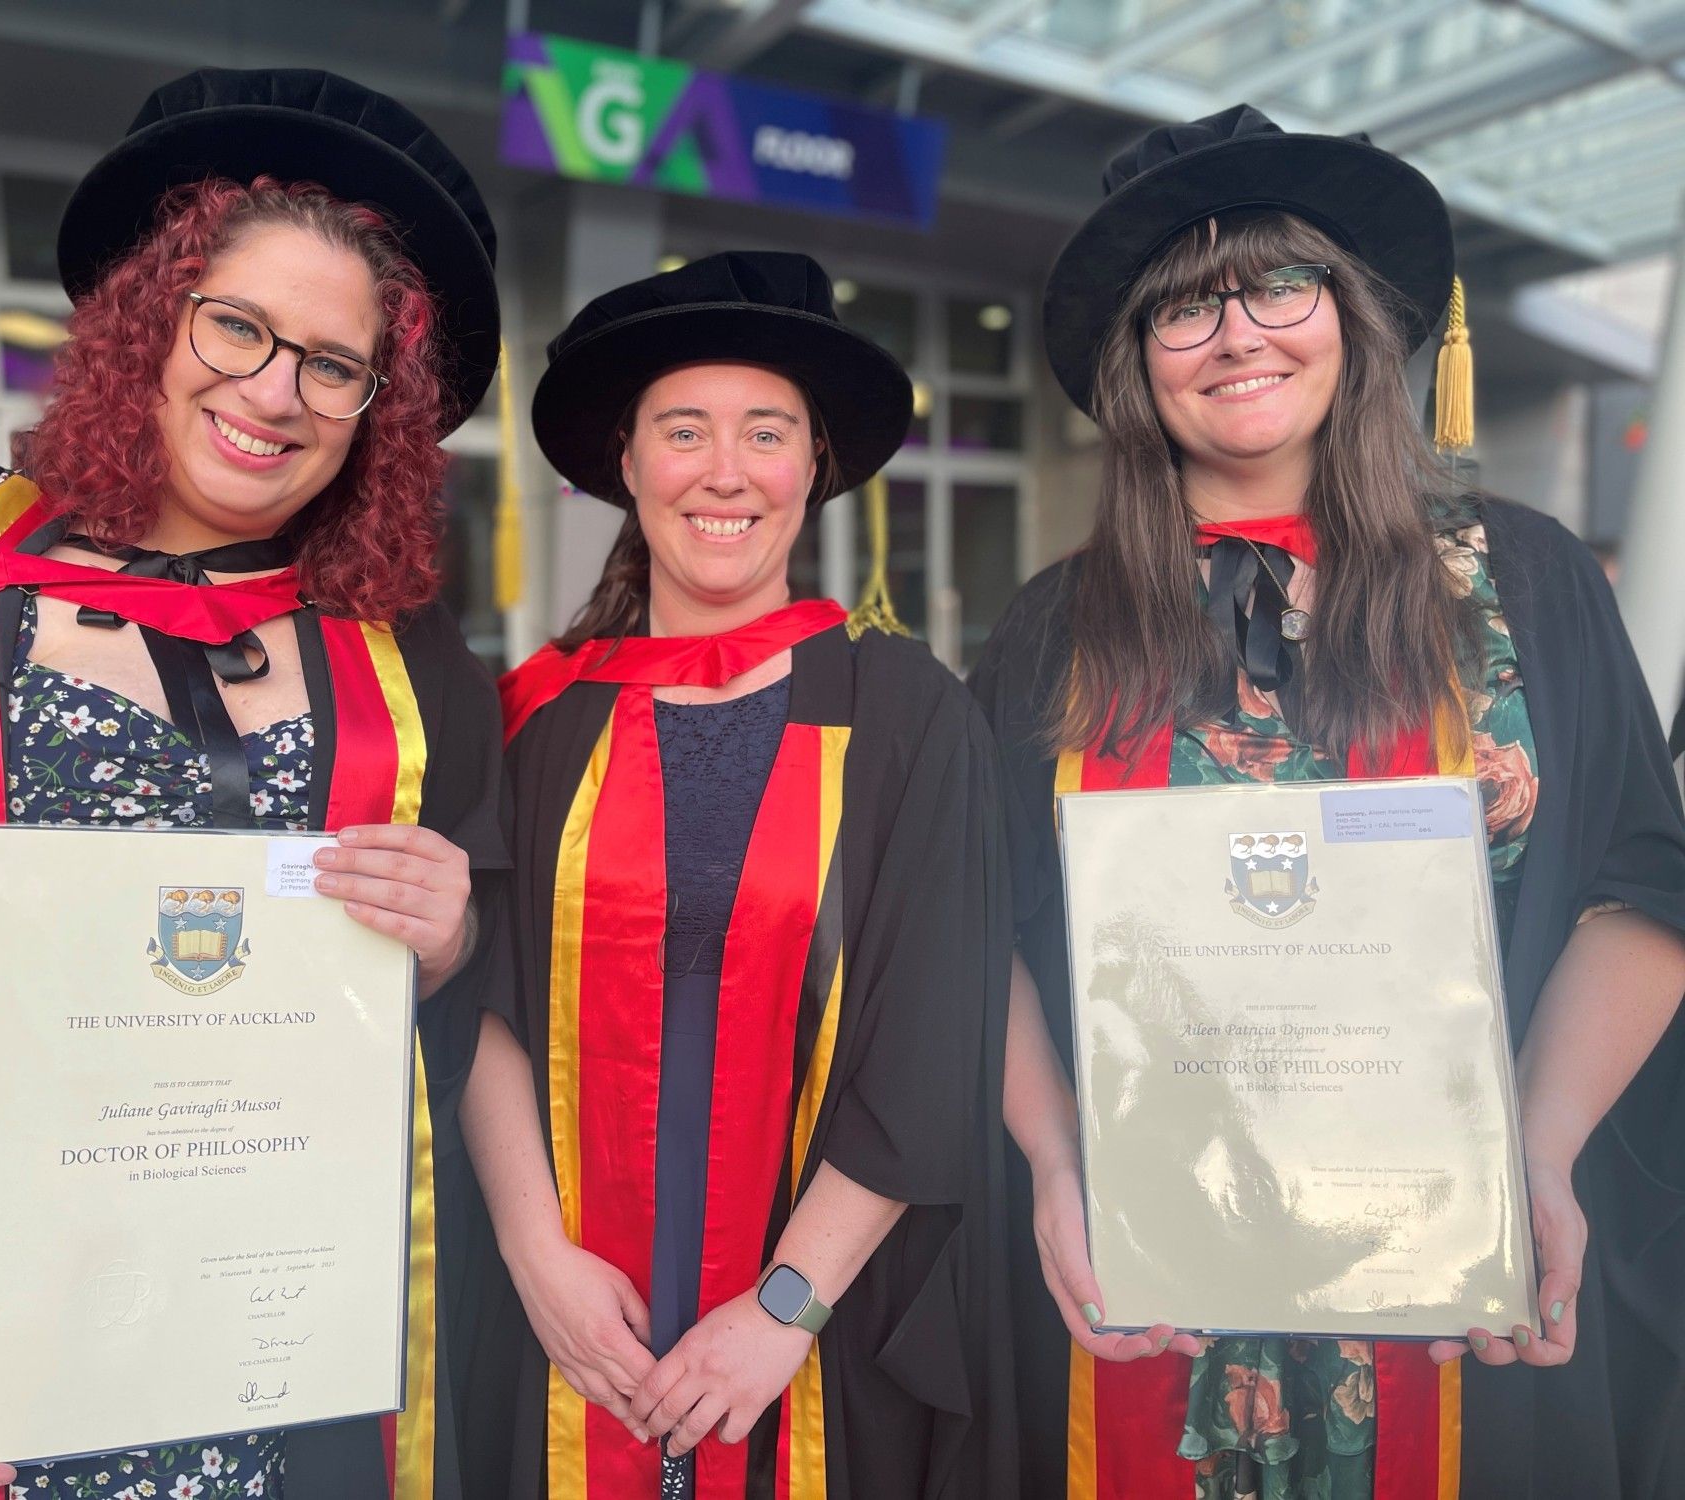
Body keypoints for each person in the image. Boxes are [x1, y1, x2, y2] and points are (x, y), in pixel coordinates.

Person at [0, 68, 509, 1500]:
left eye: (334, 363)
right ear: (155, 322)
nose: (274, 392)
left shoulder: (404, 655)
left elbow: (440, 991)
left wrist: (447, 937)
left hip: (275, 1356)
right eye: (238, 326)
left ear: (375, 407)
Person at [971, 104, 1685, 1499]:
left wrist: (1534, 1161)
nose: (1238, 333)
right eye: (1183, 307)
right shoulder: (1059, 625)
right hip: (1146, 1286)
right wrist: (1055, 1165)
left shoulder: (1522, 582)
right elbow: (976, 922)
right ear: (1137, 368)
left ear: (1350, 316)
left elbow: (1638, 883)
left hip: (1457, 1298)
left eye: (1278, 284)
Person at [459, 251, 1018, 1499]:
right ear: (627, 460)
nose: (724, 472)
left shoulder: (907, 717)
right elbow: (480, 999)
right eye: (684, 431)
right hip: (567, 1315)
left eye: (765, 433)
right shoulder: (535, 721)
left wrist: (782, 1308)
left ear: (812, 464)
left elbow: (930, 1037)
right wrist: (535, 1257)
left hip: (820, 1335)